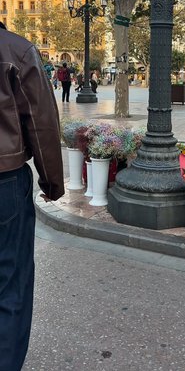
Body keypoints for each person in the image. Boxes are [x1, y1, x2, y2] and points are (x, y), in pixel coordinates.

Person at [0, 22, 64, 370]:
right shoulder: (17, 51)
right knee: (11, 283)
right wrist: (52, 181)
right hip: (4, 181)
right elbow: (42, 123)